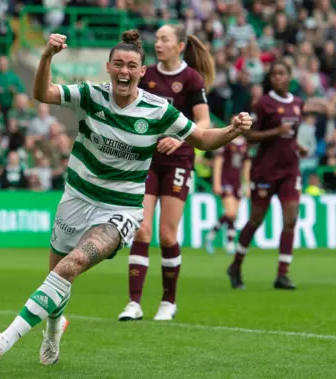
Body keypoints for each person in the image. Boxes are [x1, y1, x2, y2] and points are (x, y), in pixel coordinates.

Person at [0, 30, 252, 367]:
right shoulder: (90, 95)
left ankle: (4, 340)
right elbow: (42, 93)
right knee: (58, 276)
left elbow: (203, 139)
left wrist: (233, 131)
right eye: (118, 65)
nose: (124, 71)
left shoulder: (158, 110)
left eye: (132, 66)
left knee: (73, 264)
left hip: (120, 209)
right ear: (108, 68)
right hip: (76, 199)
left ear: (142, 72)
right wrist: (47, 56)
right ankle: (53, 329)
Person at [118, 24, 214, 322]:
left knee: (167, 234)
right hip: (146, 160)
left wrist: (180, 137)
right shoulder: (146, 75)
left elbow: (205, 122)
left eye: (164, 39)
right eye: (157, 39)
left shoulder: (191, 78)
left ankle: (168, 301)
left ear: (180, 45)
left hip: (179, 161)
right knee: (142, 229)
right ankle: (134, 302)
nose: (158, 44)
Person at [227, 61, 309, 291]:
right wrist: (276, 132)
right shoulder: (263, 104)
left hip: (290, 168)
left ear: (290, 76)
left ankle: (282, 274)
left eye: (282, 74)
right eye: (274, 75)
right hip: (265, 169)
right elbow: (250, 135)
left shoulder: (298, 103)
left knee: (291, 219)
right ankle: (235, 265)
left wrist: (299, 147)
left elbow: (290, 136)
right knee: (256, 220)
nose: (277, 78)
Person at [204, 133, 250, 255]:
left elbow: (246, 165)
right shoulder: (227, 141)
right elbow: (218, 163)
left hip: (237, 183)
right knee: (230, 213)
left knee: (233, 215)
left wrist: (247, 185)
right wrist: (217, 183)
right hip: (226, 181)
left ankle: (211, 236)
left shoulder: (245, 143)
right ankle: (229, 242)